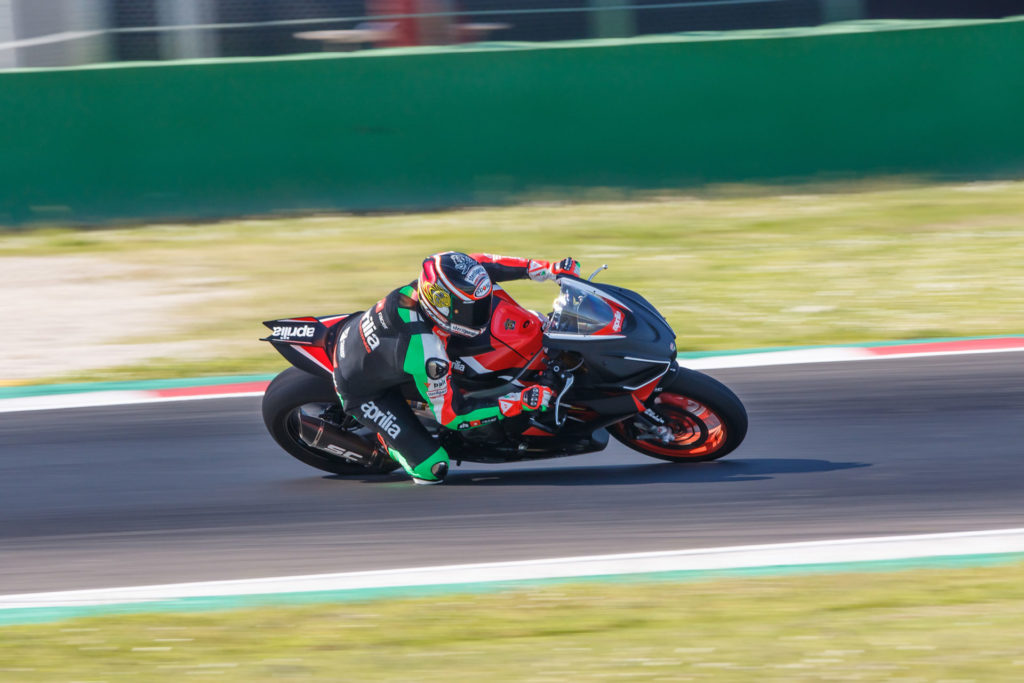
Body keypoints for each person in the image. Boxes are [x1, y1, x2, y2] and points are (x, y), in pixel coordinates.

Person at [333, 252, 581, 485]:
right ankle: (389, 446)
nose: (481, 313)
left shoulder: (441, 278)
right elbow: (452, 416)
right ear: (441, 305)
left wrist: (550, 269)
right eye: (471, 310)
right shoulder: (428, 353)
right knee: (433, 469)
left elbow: (484, 263)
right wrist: (522, 400)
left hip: (365, 339)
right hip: (363, 391)